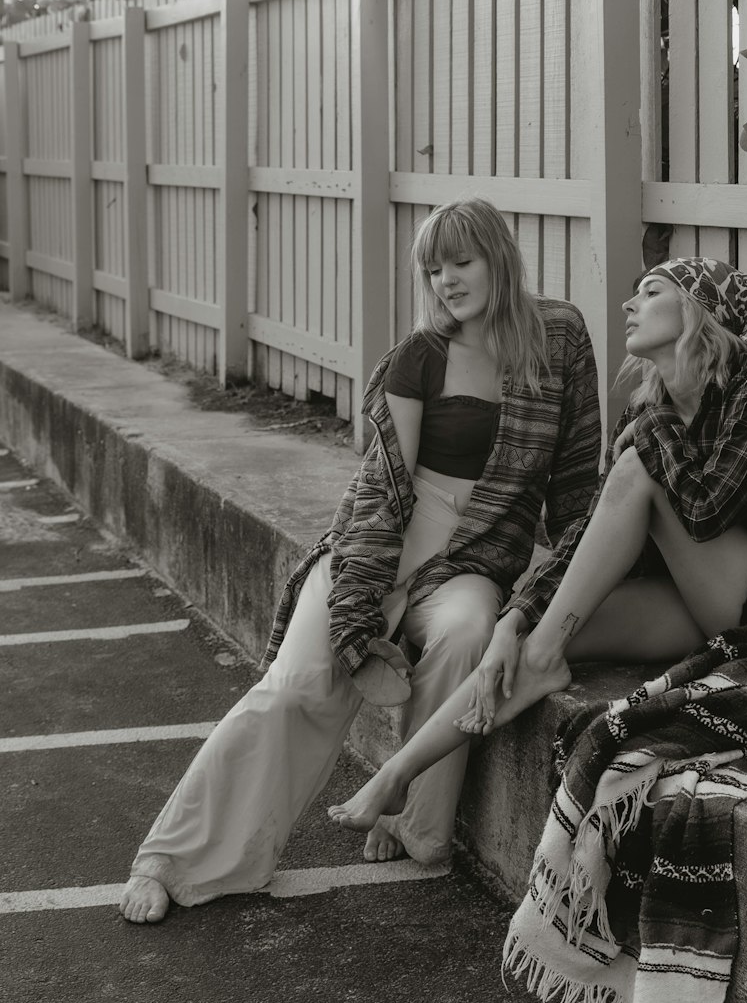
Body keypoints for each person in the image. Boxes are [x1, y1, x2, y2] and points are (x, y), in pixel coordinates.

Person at [119, 197, 601, 923]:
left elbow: (573, 484)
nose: (446, 282)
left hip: (474, 557)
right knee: (299, 687)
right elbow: (383, 491)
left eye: (461, 263)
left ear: (501, 256)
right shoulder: (419, 355)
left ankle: (409, 821)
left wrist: (567, 588)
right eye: (433, 270)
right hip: (385, 543)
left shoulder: (559, 337)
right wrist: (359, 600)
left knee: (468, 634)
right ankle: (172, 858)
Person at [326, 255, 747, 835]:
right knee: (524, 641)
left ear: (698, 312)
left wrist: (653, 435)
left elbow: (708, 513)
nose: (629, 305)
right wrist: (516, 617)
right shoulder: (647, 405)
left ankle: (540, 656)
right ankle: (400, 775)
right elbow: (591, 530)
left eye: (651, 292)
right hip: (707, 602)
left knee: (632, 472)